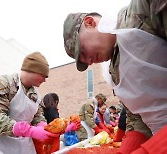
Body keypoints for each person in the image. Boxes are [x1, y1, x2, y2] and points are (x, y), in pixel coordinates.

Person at [63, 0, 167, 153]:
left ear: (90, 22)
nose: (90, 61)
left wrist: (150, 149)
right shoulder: (114, 73)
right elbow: (136, 117)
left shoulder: (143, 10)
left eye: (84, 52)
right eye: (85, 62)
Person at [0, 52, 59, 154]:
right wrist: (26, 130)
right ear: (33, 70)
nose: (44, 80)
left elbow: (37, 115)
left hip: (23, 147)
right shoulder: (4, 84)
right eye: (43, 75)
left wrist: (42, 125)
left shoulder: (35, 95)